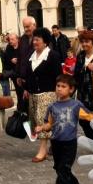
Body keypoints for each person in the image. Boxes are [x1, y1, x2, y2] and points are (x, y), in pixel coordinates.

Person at [35, 74, 93, 184]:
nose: (60, 89)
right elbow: (49, 123)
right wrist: (41, 128)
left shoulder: (76, 105)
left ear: (71, 89)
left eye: (63, 86)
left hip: (69, 144)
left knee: (62, 172)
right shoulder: (52, 106)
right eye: (58, 86)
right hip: (56, 143)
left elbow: (90, 116)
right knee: (61, 170)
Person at [27, 27, 62, 163]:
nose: (34, 42)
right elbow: (30, 75)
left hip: (48, 94)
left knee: (43, 121)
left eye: (37, 40)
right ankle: (54, 146)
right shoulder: (32, 56)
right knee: (36, 121)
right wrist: (26, 89)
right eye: (33, 39)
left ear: (45, 42)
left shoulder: (52, 56)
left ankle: (43, 150)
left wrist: (59, 94)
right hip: (33, 94)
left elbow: (58, 77)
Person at [15, 17, 36, 112]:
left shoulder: (40, 37)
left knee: (34, 108)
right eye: (24, 27)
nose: (26, 29)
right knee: (24, 108)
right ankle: (25, 126)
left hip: (35, 78)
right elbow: (20, 57)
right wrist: (18, 75)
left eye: (28, 26)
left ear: (34, 25)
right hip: (23, 79)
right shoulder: (23, 39)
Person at [0, 32, 19, 96]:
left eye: (12, 39)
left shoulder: (21, 47)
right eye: (10, 39)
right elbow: (7, 58)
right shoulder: (9, 47)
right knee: (18, 91)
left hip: (21, 71)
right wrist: (11, 60)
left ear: (17, 39)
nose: (10, 41)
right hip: (13, 72)